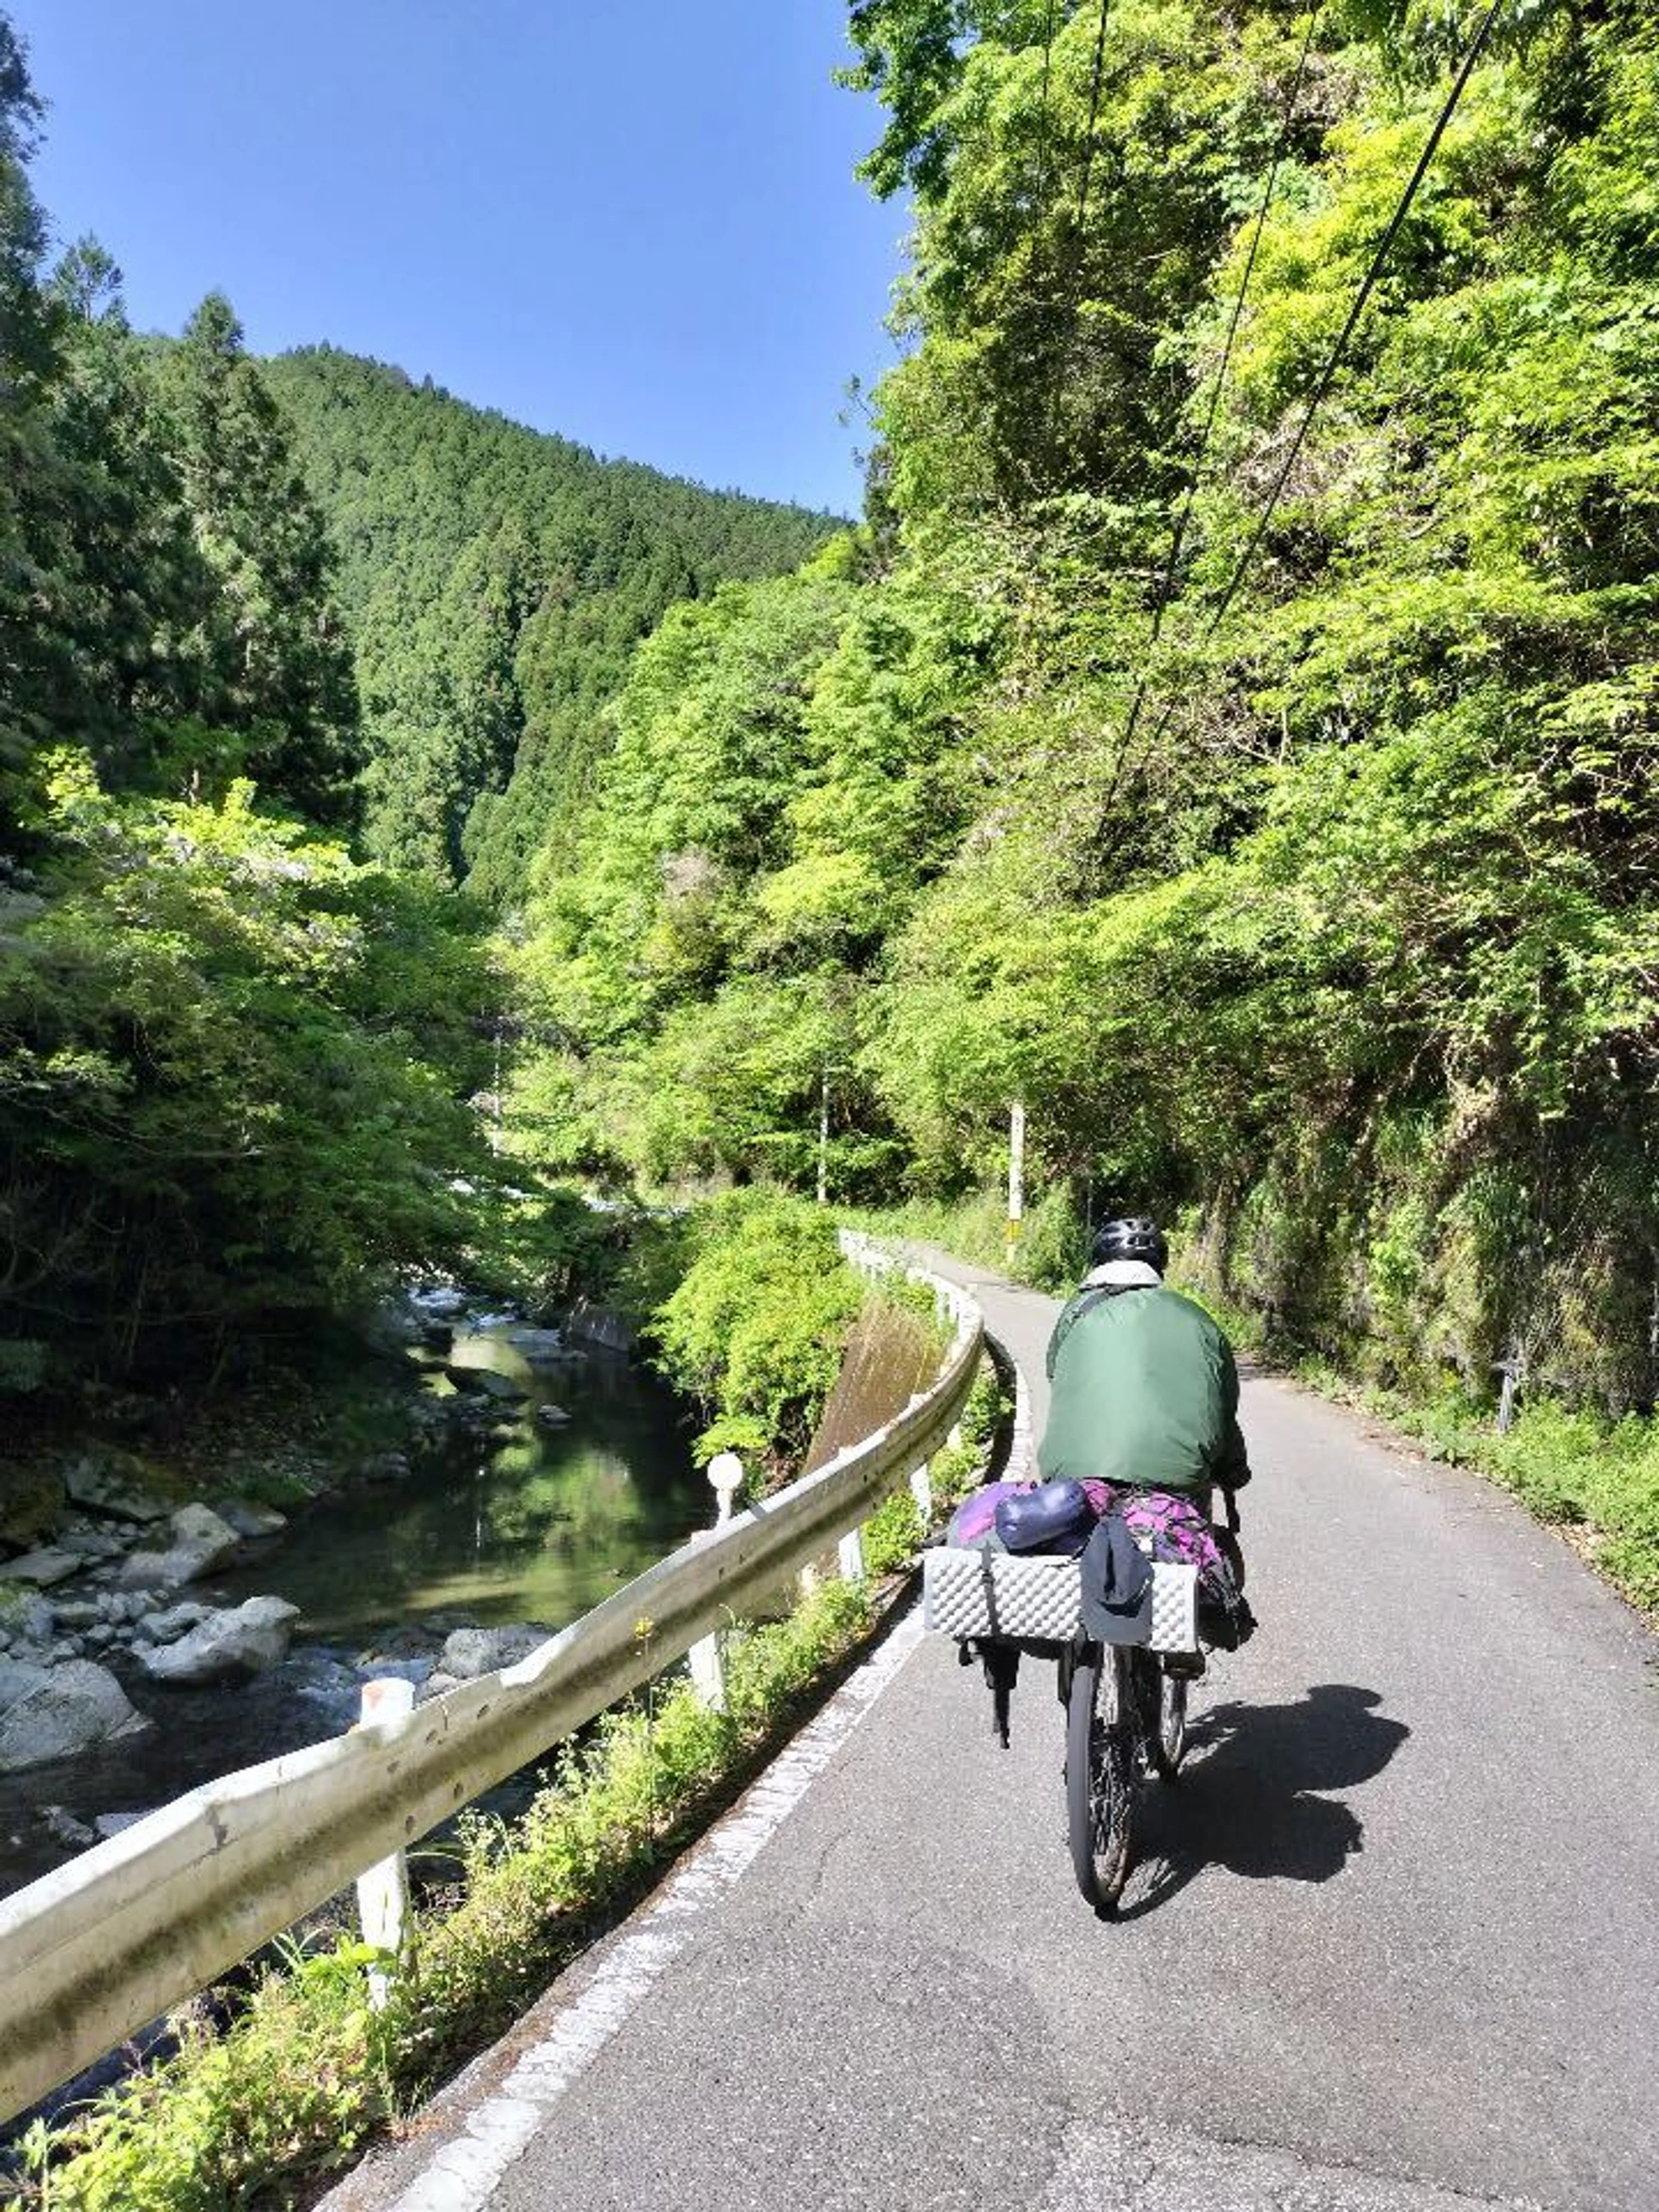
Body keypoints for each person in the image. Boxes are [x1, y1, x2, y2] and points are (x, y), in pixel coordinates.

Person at [1038, 1214, 1251, 1505]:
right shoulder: (1197, 1318)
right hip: (1178, 1483)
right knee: (1191, 1535)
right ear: (1158, 1267)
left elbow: (1057, 1378)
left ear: (1100, 1262)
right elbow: (1222, 1405)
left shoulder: (1077, 1313)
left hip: (1073, 1479)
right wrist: (1234, 1469)